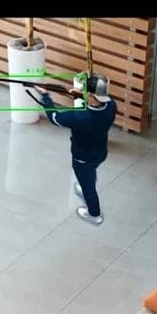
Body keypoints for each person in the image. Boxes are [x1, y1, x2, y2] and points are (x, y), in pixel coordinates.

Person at [34, 72, 116, 226]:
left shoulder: (81, 117)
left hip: (82, 158)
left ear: (90, 96)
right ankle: (85, 182)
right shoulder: (111, 106)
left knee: (88, 186)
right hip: (100, 152)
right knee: (90, 172)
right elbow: (92, 105)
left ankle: (94, 214)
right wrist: (78, 96)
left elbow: (54, 118)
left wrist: (45, 96)